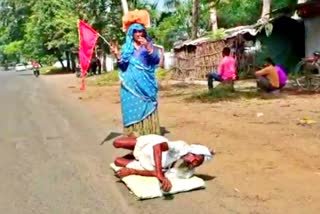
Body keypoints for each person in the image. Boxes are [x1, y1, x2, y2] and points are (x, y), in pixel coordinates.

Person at [110, 10, 161, 136]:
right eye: (135, 31)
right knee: (132, 110)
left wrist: (149, 48)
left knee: (148, 106)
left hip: (146, 86)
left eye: (141, 31)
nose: (139, 33)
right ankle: (135, 137)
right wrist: (117, 55)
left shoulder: (148, 45)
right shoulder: (127, 48)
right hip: (130, 87)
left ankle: (150, 134)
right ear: (131, 33)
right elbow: (123, 66)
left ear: (144, 32)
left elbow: (156, 60)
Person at [113, 134, 213, 192]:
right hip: (148, 146)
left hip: (147, 163)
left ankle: (134, 155)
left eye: (196, 164)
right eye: (196, 159)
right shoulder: (181, 146)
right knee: (116, 143)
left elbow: (155, 173)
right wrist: (160, 174)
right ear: (194, 152)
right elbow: (157, 147)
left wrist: (132, 171)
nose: (193, 163)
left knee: (117, 161)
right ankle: (135, 139)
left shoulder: (184, 171)